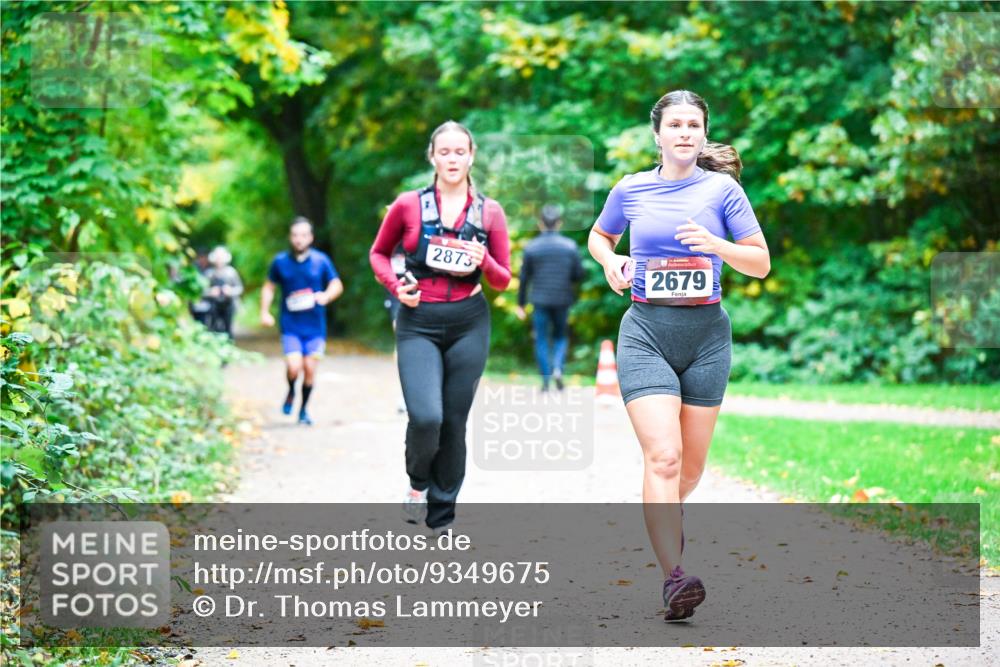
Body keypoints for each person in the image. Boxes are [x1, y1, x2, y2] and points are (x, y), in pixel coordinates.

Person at [587, 90, 770, 621]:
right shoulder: (632, 189)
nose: (685, 132)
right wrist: (610, 262)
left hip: (707, 337)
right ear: (658, 134)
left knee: (688, 470)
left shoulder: (724, 191)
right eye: (675, 124)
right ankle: (674, 577)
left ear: (704, 133)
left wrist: (718, 246)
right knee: (662, 458)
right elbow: (600, 236)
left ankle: (669, 511)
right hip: (646, 332)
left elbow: (759, 263)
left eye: (694, 124)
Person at [369, 120, 511, 534]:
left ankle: (442, 514)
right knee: (427, 417)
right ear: (432, 156)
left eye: (460, 152)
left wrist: (481, 258)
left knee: (454, 420)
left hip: (469, 321)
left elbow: (503, 279)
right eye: (444, 152)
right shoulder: (408, 205)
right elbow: (379, 254)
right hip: (418, 322)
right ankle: (417, 485)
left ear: (472, 157)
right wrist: (397, 288)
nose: (452, 159)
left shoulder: (489, 211)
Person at [260, 217, 344, 426]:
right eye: (295, 235)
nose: (299, 240)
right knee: (293, 367)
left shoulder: (320, 261)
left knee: (309, 369)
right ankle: (290, 391)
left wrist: (326, 296)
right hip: (291, 325)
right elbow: (269, 287)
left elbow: (336, 284)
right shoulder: (280, 262)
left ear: (311, 238)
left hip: (315, 327)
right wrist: (264, 312)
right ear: (290, 237)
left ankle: (304, 410)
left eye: (304, 235)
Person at [515, 204, 585, 391]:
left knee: (541, 339)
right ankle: (558, 369)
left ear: (540, 223)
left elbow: (524, 278)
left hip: (539, 300)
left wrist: (520, 304)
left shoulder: (531, 247)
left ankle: (546, 380)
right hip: (562, 299)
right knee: (561, 336)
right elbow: (579, 274)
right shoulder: (569, 246)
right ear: (559, 223)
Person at [203, 245, 243, 339]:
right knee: (212, 328)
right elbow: (202, 291)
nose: (219, 260)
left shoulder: (231, 272)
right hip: (213, 305)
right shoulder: (209, 273)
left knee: (228, 328)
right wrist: (210, 292)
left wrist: (230, 291)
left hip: (228, 304)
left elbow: (239, 288)